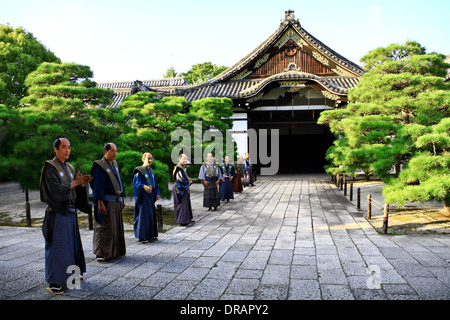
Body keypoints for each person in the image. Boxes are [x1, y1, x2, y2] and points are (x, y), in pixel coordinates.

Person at [40, 137, 92, 294]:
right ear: (56, 149)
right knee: (57, 247)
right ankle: (55, 281)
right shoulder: (50, 166)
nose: (67, 150)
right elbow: (53, 189)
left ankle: (72, 275)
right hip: (58, 213)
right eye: (64, 147)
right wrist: (75, 183)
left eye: (69, 147)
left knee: (71, 246)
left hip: (70, 212)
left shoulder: (70, 167)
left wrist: (81, 185)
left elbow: (73, 189)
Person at [90, 143, 126, 263]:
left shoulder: (114, 164)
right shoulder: (99, 166)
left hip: (115, 200)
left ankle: (114, 252)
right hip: (105, 201)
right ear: (105, 151)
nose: (114, 153)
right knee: (104, 227)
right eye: (112, 151)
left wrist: (121, 198)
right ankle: (101, 253)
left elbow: (119, 182)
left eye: (116, 151)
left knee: (114, 228)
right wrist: (99, 202)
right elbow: (97, 185)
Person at [132, 152, 160, 244]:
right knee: (143, 217)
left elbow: (155, 183)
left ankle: (151, 235)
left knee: (151, 216)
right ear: (143, 159)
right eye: (148, 159)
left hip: (150, 197)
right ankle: (142, 237)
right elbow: (136, 184)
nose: (150, 160)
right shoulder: (139, 171)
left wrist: (157, 193)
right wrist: (144, 186)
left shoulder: (151, 171)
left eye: (151, 159)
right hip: (143, 197)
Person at [172, 154, 194, 226]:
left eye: (186, 159)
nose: (185, 160)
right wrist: (188, 182)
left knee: (186, 204)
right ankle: (182, 221)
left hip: (183, 188)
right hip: (180, 188)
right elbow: (180, 179)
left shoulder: (182, 168)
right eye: (183, 159)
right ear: (179, 159)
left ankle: (187, 219)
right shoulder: (178, 168)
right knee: (182, 205)